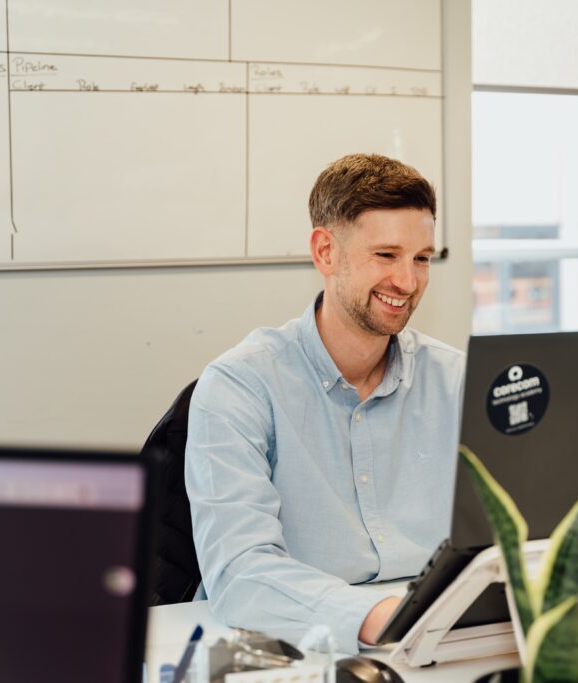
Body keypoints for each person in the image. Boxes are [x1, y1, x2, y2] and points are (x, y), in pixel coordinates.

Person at [185, 154, 465, 653]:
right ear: (325, 252)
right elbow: (240, 571)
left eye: (422, 258)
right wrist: (383, 617)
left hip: (445, 644)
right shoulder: (237, 387)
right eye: (386, 255)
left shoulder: (457, 381)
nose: (408, 281)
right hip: (295, 649)